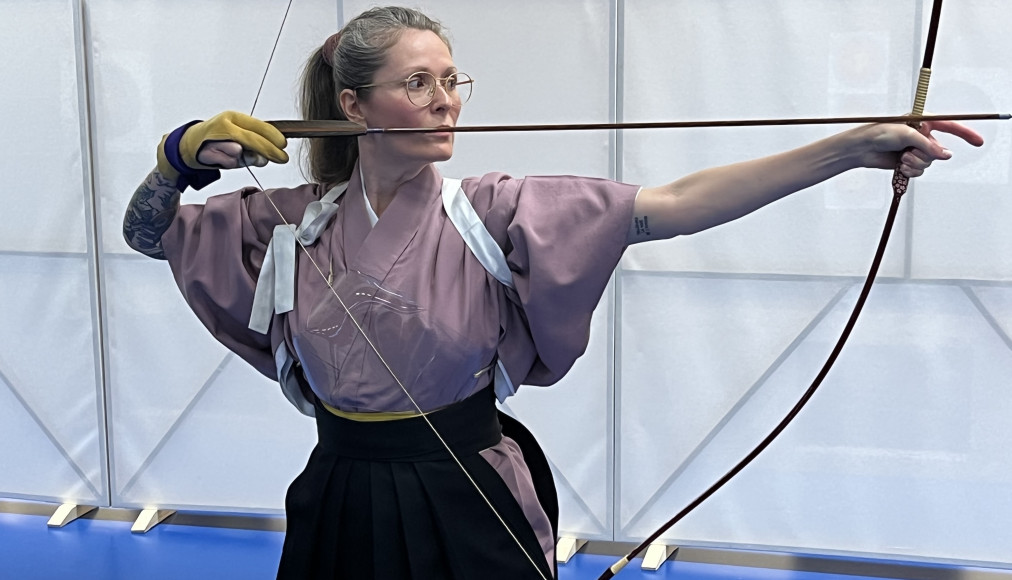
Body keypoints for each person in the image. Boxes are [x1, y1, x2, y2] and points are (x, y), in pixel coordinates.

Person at [121, 6, 983, 580]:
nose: (444, 102)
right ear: (353, 103)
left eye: (451, 80)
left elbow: (672, 207)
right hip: (340, 488)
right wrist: (176, 157)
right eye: (417, 84)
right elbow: (146, 232)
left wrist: (848, 147)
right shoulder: (291, 222)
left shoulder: (492, 210)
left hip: (466, 485)